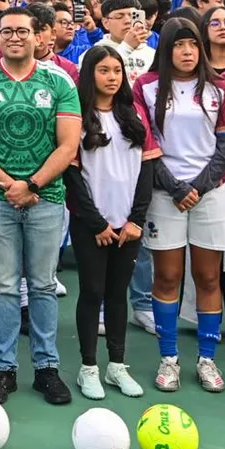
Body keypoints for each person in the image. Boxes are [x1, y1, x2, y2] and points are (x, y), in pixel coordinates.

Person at [0, 7, 81, 405]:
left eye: (22, 30)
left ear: (37, 35)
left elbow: (68, 145)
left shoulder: (58, 80)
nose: (14, 36)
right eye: (7, 30)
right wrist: (6, 184)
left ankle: (47, 369)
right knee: (5, 285)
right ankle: (4, 368)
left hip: (46, 198)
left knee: (43, 285)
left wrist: (32, 183)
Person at [133, 17, 225, 393]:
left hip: (210, 194)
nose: (187, 52)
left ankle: (207, 359)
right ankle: (169, 359)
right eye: (179, 45)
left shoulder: (219, 86)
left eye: (193, 44)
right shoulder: (145, 87)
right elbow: (146, 145)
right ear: (166, 49)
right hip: (165, 196)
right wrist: (176, 188)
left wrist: (198, 185)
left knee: (209, 277)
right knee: (167, 277)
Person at [63, 45, 154, 400]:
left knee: (118, 296)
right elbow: (73, 177)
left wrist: (135, 220)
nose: (112, 77)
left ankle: (117, 365)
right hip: (91, 225)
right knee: (92, 292)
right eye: (104, 70)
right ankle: (89, 368)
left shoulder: (135, 115)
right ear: (90, 74)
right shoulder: (77, 117)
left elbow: (146, 170)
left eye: (117, 70)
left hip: (128, 226)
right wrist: (98, 223)